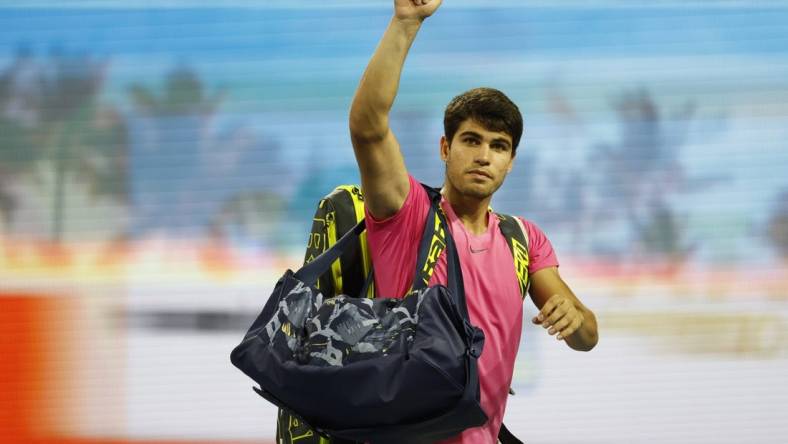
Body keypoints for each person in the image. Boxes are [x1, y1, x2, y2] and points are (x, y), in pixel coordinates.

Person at [348, 0, 599, 443]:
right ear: (445, 148)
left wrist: (573, 318)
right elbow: (368, 127)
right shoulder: (407, 215)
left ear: (511, 161)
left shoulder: (524, 239)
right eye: (471, 140)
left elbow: (587, 337)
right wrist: (406, 23)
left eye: (498, 146)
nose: (484, 155)